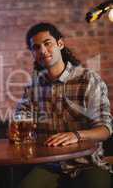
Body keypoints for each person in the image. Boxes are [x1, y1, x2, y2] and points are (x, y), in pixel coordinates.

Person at [14, 22, 112, 188]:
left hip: (88, 163)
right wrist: (19, 125)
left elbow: (105, 130)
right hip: (50, 165)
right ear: (32, 52)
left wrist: (76, 135)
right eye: (36, 47)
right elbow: (19, 122)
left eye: (47, 43)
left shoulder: (88, 80)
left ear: (60, 44)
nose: (42, 51)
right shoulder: (33, 88)